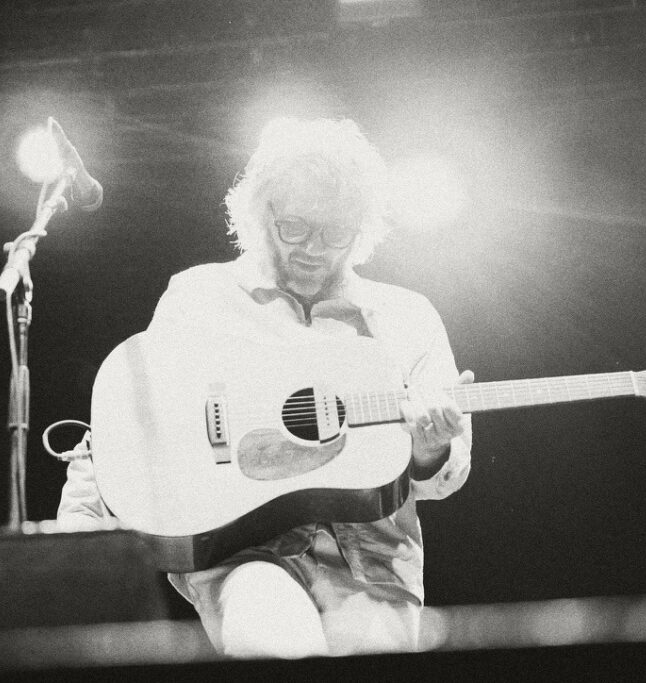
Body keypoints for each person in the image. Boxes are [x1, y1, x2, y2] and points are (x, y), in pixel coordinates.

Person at [56, 117, 473, 658]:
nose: (313, 248)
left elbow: (443, 477)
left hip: (374, 564)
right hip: (241, 550)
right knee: (275, 643)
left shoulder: (407, 317)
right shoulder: (200, 297)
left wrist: (431, 448)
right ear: (261, 213)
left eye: (336, 233)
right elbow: (136, 419)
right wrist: (77, 535)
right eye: (294, 226)